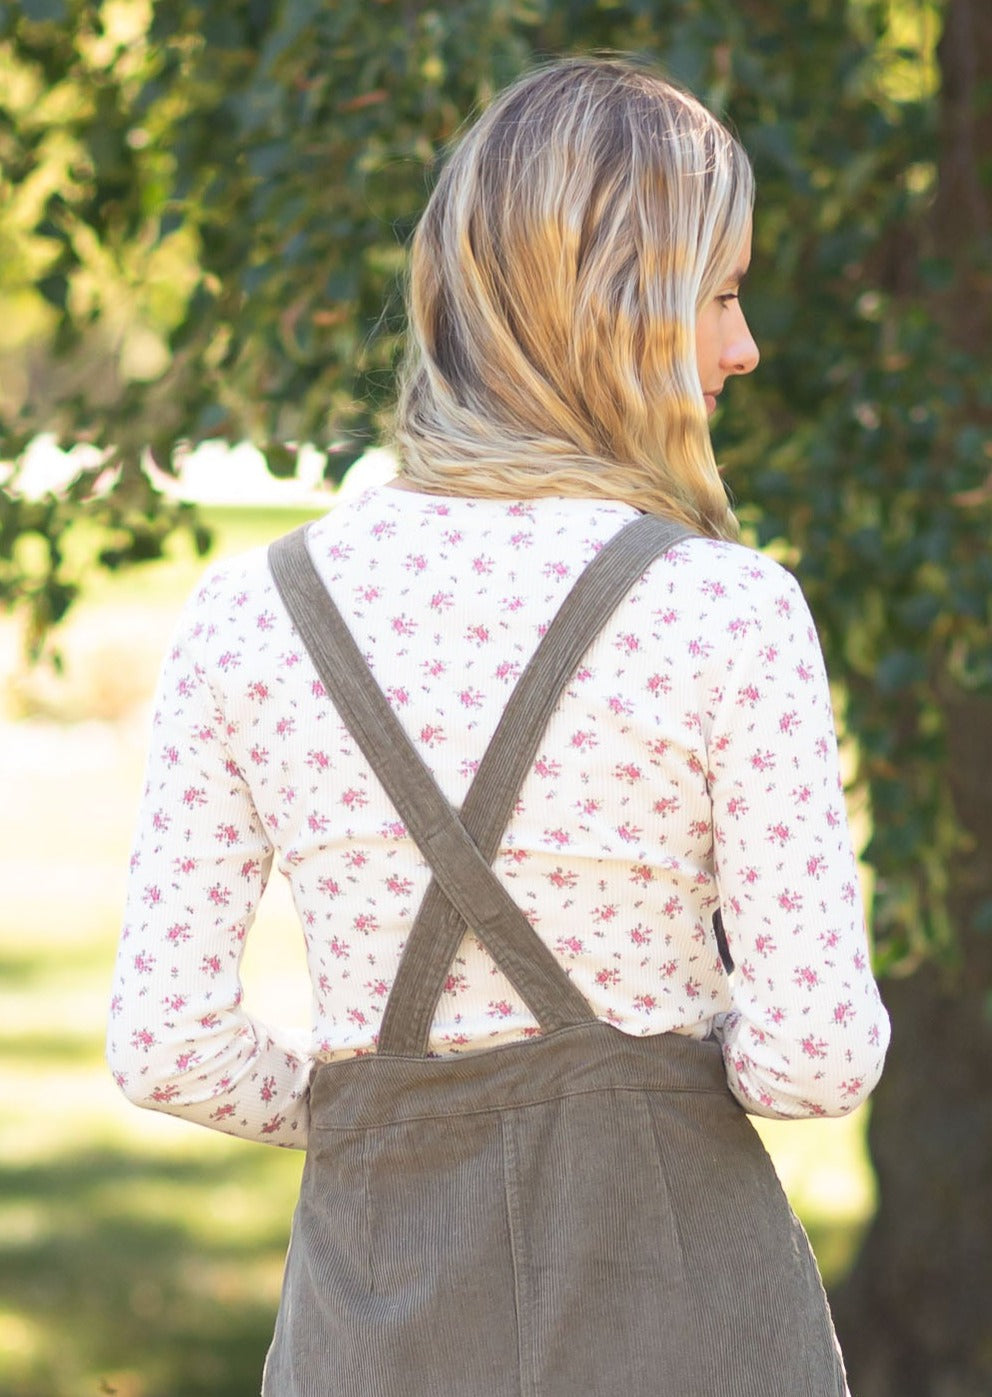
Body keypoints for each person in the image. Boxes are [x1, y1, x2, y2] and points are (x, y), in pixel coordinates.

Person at [108, 56, 890, 1395]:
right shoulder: (725, 611)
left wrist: (380, 1112)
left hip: (379, 1312)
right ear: (619, 311)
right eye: (716, 293)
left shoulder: (251, 613)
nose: (743, 343)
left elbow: (165, 1037)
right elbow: (816, 1057)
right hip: (686, 1314)